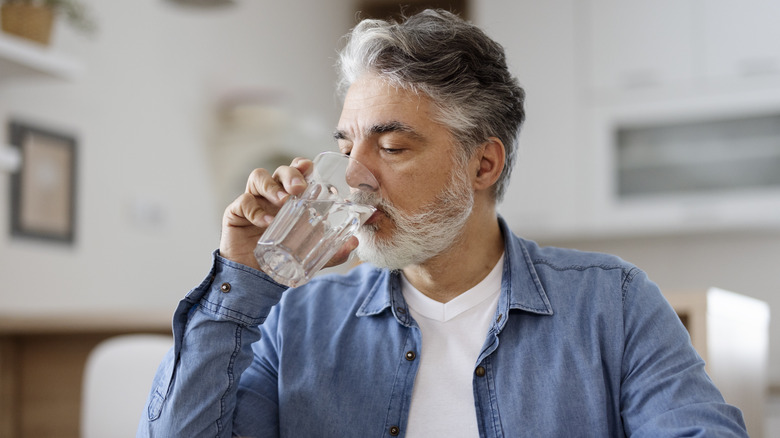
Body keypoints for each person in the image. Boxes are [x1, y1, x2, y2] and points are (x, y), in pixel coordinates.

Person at [138, 9, 748, 438]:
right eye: (346, 146)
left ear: (483, 163)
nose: (354, 176)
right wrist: (242, 280)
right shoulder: (295, 318)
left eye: (393, 147)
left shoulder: (611, 303)